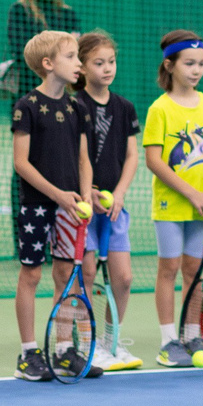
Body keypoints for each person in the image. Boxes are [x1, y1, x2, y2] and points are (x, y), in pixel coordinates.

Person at [142, 30, 203, 368]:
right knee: (169, 268)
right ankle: (168, 340)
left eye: (201, 64)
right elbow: (154, 160)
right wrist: (191, 192)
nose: (196, 70)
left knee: (195, 271)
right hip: (172, 206)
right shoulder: (160, 109)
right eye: (189, 63)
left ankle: (192, 332)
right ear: (170, 64)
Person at [11, 29, 93, 382]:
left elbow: (83, 159)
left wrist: (85, 194)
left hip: (71, 207)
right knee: (31, 274)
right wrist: (58, 194)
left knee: (67, 278)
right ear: (48, 64)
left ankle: (63, 350)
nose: (79, 63)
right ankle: (29, 352)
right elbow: (21, 163)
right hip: (36, 206)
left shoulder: (78, 106)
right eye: (72, 56)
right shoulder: (26, 106)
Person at [76, 32, 143, 371]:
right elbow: (73, 157)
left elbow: (132, 156)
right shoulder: (74, 105)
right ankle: (86, 344)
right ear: (83, 66)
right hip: (82, 209)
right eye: (98, 63)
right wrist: (87, 193)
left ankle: (110, 340)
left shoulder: (124, 107)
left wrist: (119, 194)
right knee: (86, 273)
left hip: (115, 208)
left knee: (124, 277)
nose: (107, 68)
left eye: (111, 62)